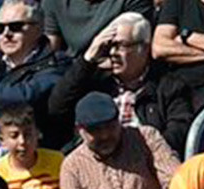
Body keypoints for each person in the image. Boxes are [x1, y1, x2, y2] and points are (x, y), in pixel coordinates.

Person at [49, 12, 187, 150]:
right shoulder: (97, 81)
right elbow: (57, 106)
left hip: (146, 161)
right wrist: (87, 59)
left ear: (144, 48)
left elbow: (178, 131)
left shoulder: (167, 86)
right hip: (94, 161)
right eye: (109, 46)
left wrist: (141, 155)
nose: (113, 52)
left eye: (121, 45)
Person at [0, 0, 64, 127]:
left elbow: (23, 99)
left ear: (38, 29)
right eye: (0, 28)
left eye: (15, 26)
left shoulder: (56, 66)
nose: (7, 33)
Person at [0, 104, 62, 189]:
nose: (22, 141)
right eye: (14, 136)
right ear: (2, 141)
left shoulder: (58, 162)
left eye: (28, 135)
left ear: (37, 134)